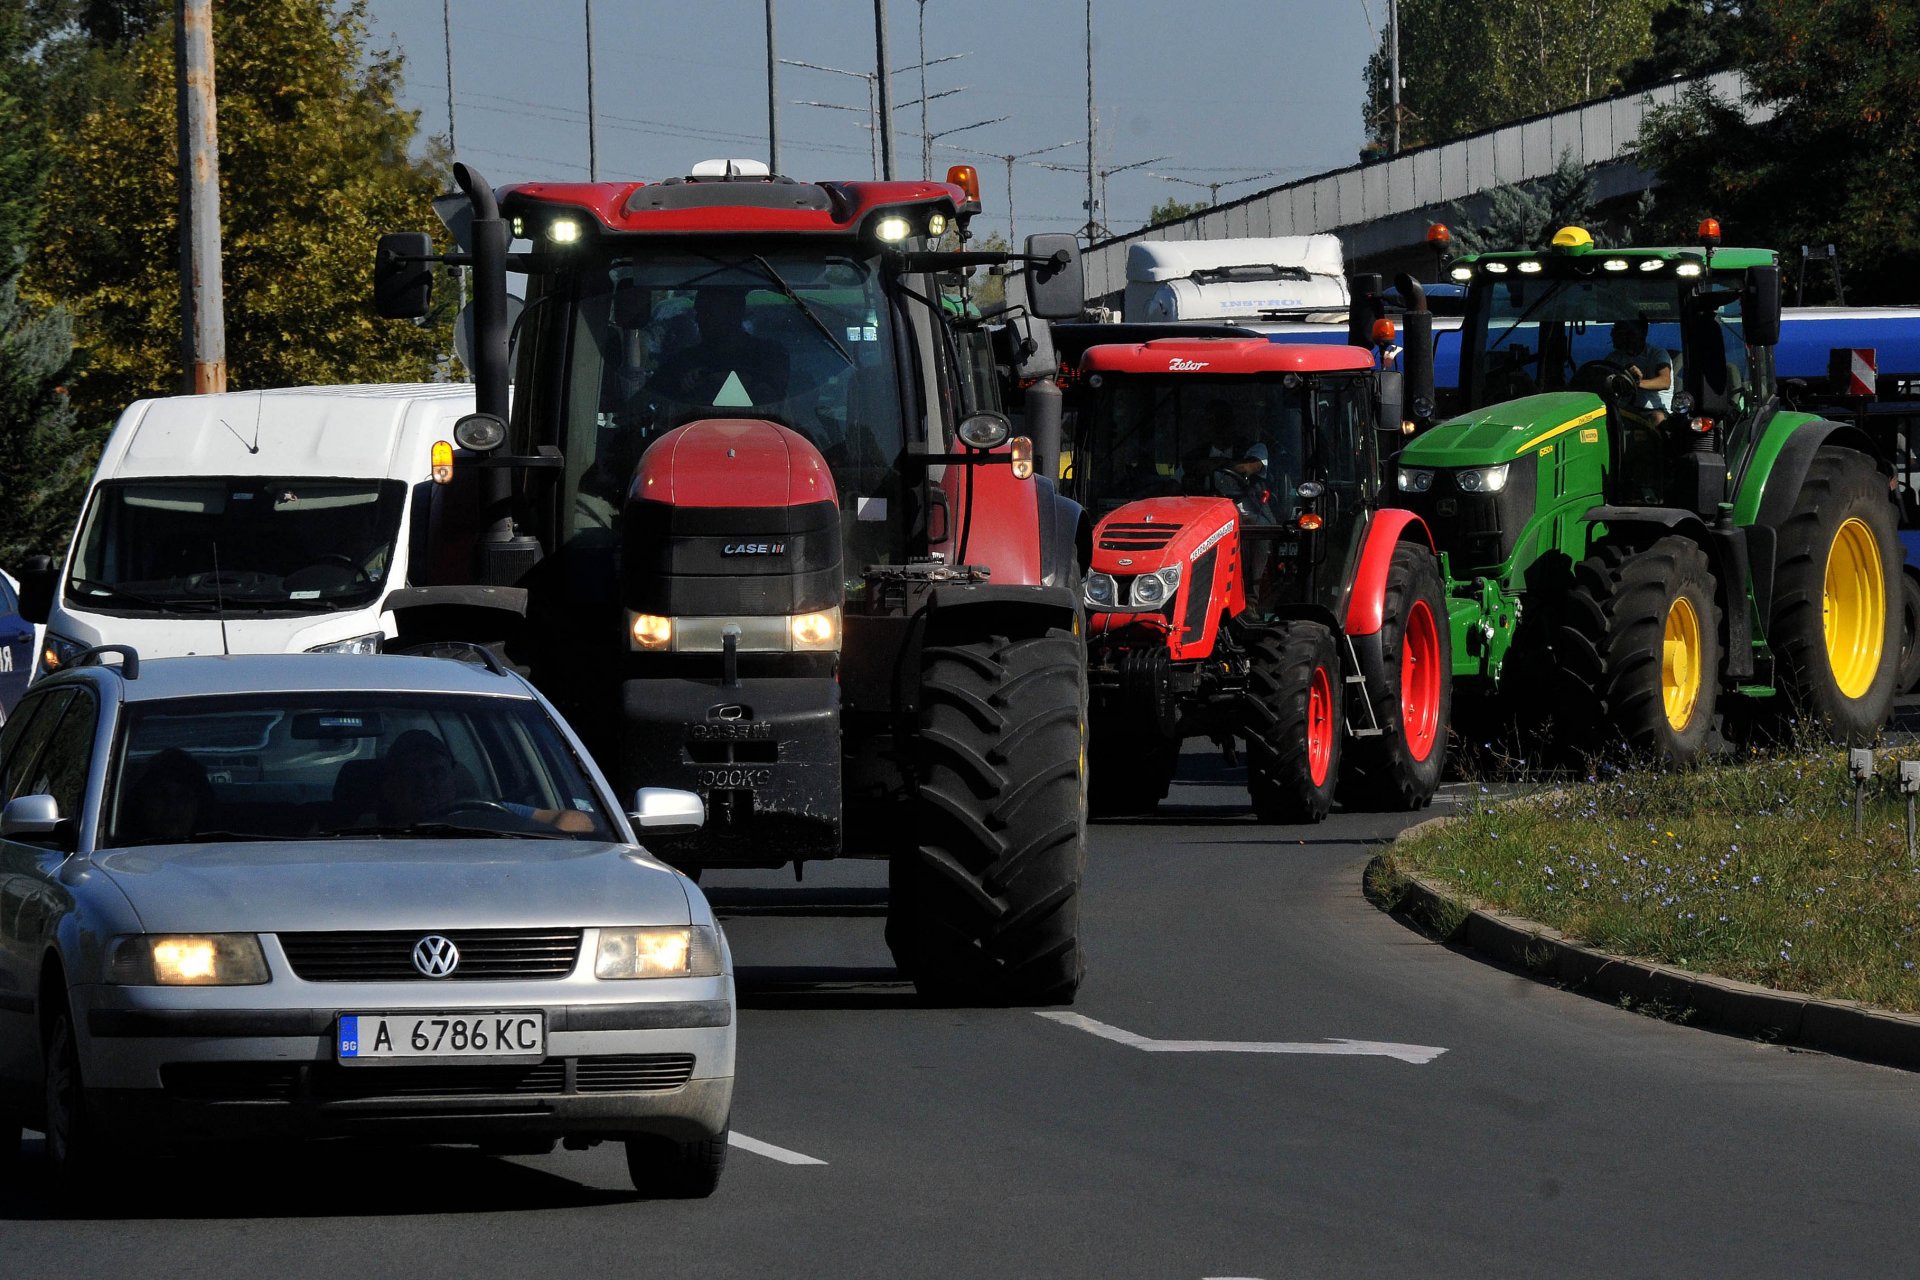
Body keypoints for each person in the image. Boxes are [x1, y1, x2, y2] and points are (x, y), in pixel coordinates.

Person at [377, 730, 595, 833]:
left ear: (454, 779)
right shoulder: (365, 833)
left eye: (437, 773)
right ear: (390, 786)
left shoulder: (490, 814)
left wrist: (550, 845)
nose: (426, 785)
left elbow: (575, 819)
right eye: (413, 775)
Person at [645, 287, 790, 409]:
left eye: (709, 313)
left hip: (768, 435)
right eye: (699, 313)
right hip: (691, 435)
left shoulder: (769, 354)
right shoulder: (684, 360)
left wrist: (724, 378)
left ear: (734, 314)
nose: (699, 319)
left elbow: (777, 393)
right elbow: (647, 402)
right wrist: (683, 387)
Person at [1183, 400, 1276, 523]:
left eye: (1223, 420)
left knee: (1262, 525)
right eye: (1211, 422)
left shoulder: (1255, 448)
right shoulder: (1196, 455)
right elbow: (1179, 480)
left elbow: (1248, 467)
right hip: (1205, 515)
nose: (1218, 427)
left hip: (1247, 513)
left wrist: (1217, 464)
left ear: (1232, 423)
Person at [124, 748, 211, 843]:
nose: (172, 807)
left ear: (199, 804)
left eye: (182, 797)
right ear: (141, 801)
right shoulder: (116, 851)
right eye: (161, 796)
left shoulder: (223, 850)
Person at [1603, 316, 1673, 425]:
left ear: (1634, 335)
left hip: (1654, 410)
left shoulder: (1657, 354)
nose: (1612, 335)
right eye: (1613, 331)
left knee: (1657, 418)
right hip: (1627, 409)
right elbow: (1602, 379)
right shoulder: (1614, 358)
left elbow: (1665, 381)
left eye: (1618, 331)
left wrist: (1634, 382)